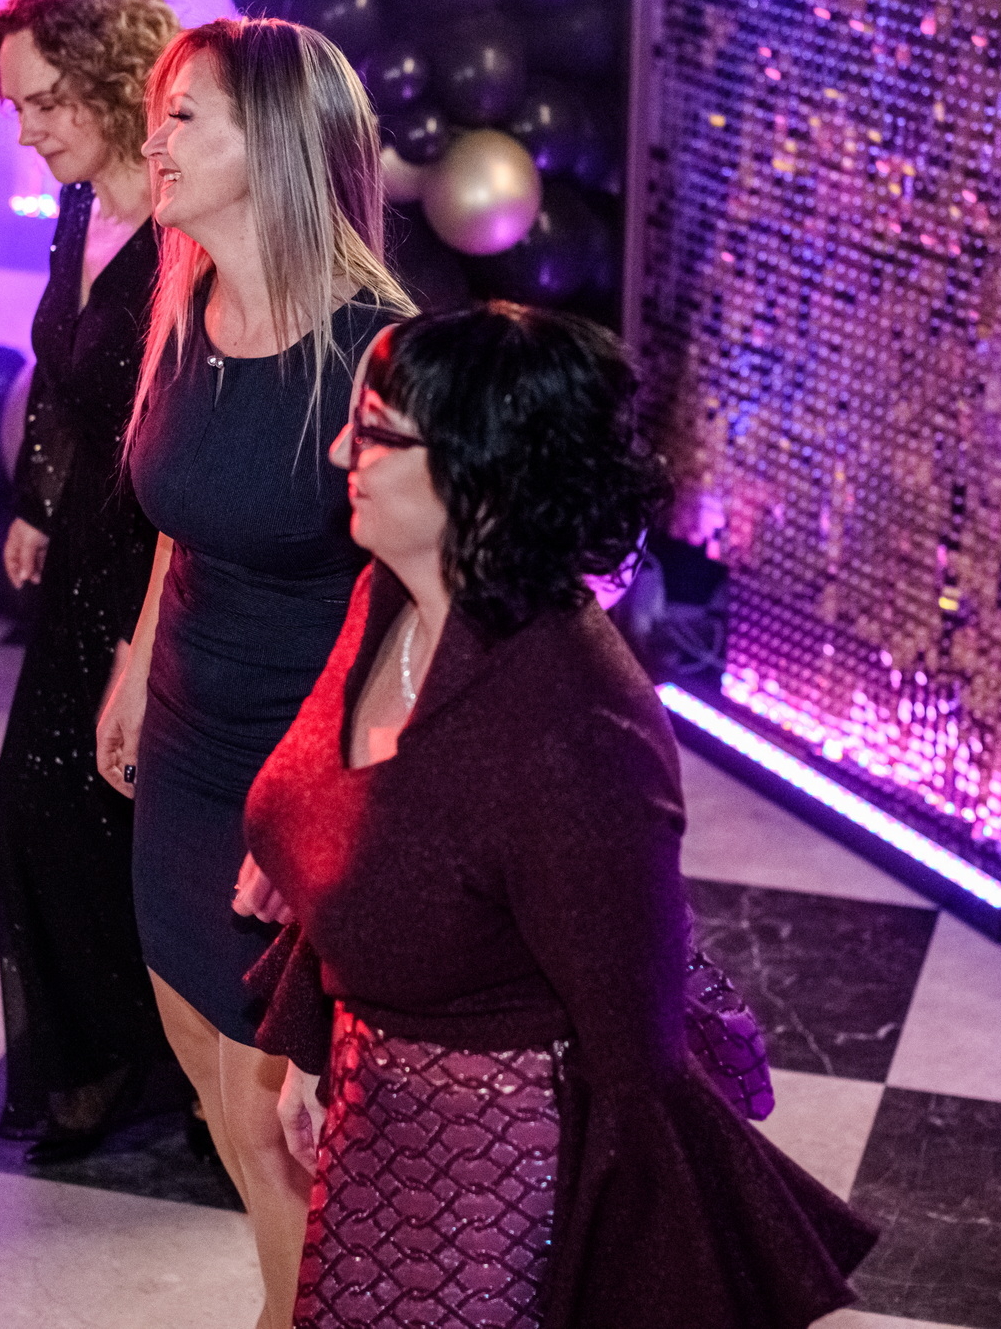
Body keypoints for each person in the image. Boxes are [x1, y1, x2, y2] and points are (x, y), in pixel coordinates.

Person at [240, 304, 880, 1328]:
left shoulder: (575, 727)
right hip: (379, 1120)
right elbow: (365, 835)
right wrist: (313, 1044)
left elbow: (635, 1063)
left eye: (375, 432)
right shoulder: (389, 595)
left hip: (501, 1175)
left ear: (482, 474)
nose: (336, 452)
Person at [96, 17, 414, 1329]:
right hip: (184, 734)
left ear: (273, 144)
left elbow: (423, 607)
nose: (155, 140)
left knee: (266, 1103)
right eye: (157, 114)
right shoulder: (185, 301)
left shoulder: (379, 352)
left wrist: (332, 804)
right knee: (192, 1043)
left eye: (186, 117)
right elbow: (179, 515)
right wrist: (134, 662)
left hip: (300, 758)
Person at [0, 0, 186, 1160]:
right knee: (47, 809)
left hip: (167, 564)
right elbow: (61, 378)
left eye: (48, 101)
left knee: (153, 830)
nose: (29, 130)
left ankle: (191, 1080)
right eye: (16, 105)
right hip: (87, 554)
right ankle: (104, 1060)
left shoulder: (188, 229)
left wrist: (144, 631)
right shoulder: (79, 206)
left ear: (115, 81)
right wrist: (36, 503)